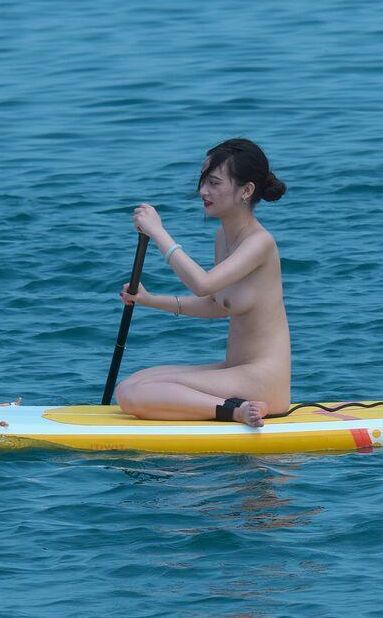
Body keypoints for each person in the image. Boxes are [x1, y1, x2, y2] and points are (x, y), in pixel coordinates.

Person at [115, 138, 291, 426]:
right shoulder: (224, 237)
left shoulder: (260, 243)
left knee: (133, 395)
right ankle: (233, 406)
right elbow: (217, 305)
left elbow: (203, 284)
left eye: (214, 183)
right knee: (130, 385)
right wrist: (149, 300)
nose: (203, 191)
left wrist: (158, 233)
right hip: (238, 370)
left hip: (263, 380)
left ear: (246, 191)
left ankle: (236, 411)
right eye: (203, 181)